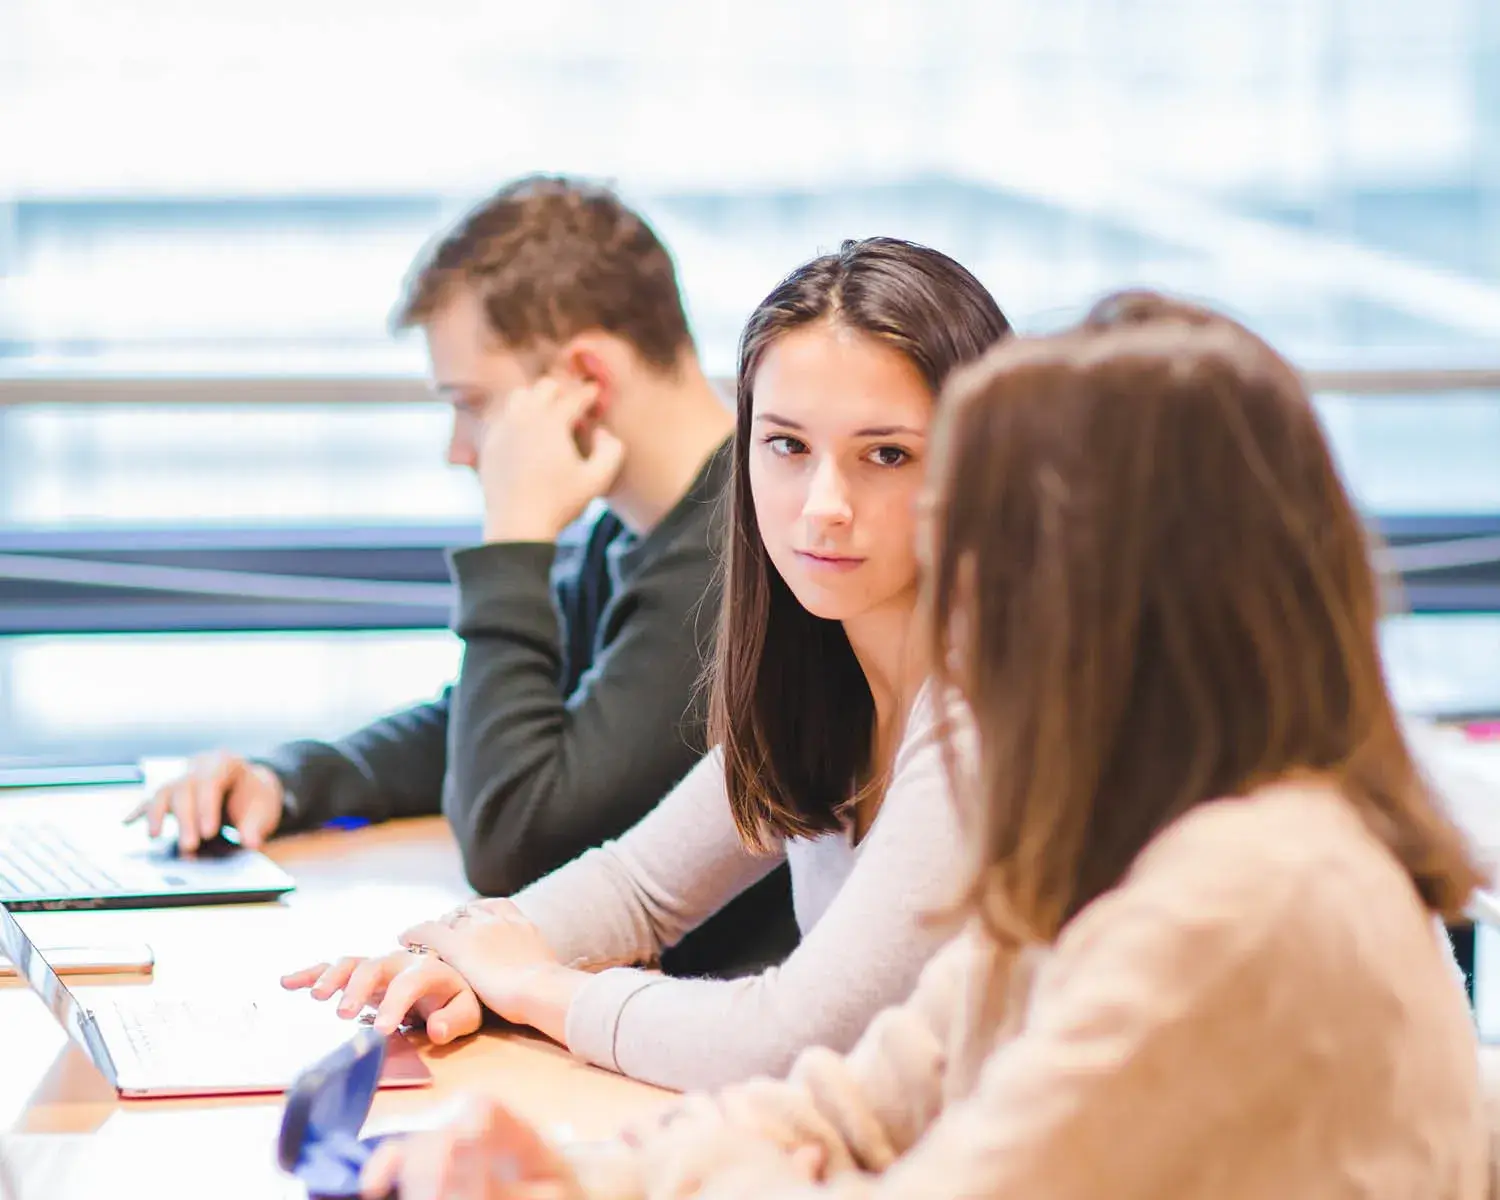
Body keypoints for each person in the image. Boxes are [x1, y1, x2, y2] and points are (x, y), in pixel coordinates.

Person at [358, 293, 1491, 1200]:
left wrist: (559, 1013)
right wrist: (582, 1175)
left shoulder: (1250, 891)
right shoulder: (1100, 839)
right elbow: (860, 1101)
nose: (954, 596)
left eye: (978, 540)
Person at [282, 237, 1015, 1092]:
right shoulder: (822, 673)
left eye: (885, 455)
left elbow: (793, 1037)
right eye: (786, 446)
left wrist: (537, 985)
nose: (823, 507)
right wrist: (455, 953)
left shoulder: (989, 710)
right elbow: (639, 888)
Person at [128, 176, 796, 978]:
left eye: (472, 403)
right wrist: (292, 778)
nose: (459, 447)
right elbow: (493, 724)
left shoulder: (733, 559)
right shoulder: (642, 528)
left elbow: (513, 836)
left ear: (585, 379)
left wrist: (514, 539)